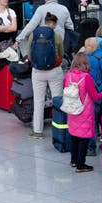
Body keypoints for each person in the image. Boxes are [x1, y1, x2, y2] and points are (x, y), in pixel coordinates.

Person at [17, 11, 66, 139]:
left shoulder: (34, 35)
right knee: (57, 100)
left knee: (38, 101)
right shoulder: (58, 36)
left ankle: (38, 131)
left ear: (44, 23)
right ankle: (58, 130)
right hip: (54, 71)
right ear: (54, 24)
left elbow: (28, 52)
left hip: (38, 72)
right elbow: (61, 53)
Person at [63, 51, 102, 172]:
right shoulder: (87, 77)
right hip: (84, 111)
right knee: (83, 138)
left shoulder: (68, 75)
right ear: (86, 63)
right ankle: (81, 165)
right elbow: (95, 96)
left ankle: (74, 161)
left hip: (71, 108)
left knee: (74, 135)